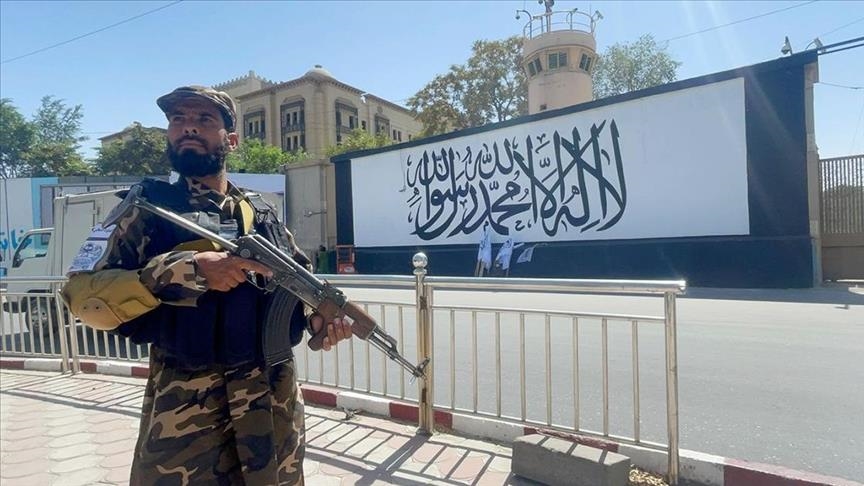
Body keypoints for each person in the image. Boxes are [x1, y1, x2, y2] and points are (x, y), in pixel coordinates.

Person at [61, 85, 352, 485]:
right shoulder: (146, 207)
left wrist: (316, 320)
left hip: (273, 405)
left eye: (204, 119)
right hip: (188, 413)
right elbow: (80, 293)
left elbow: (296, 285)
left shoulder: (262, 212)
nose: (188, 127)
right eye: (178, 119)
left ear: (231, 139)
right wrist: (187, 269)